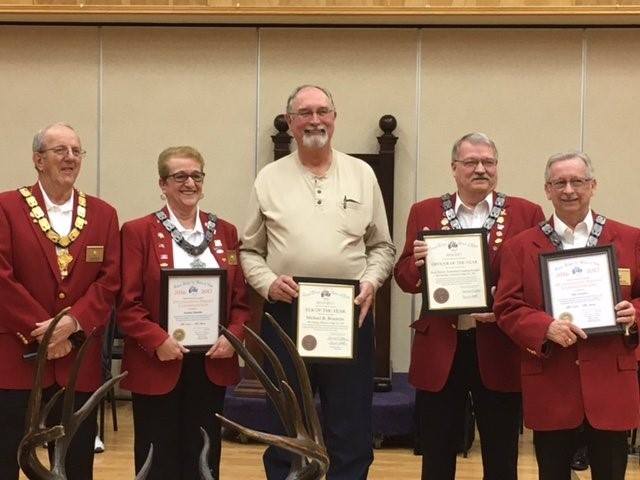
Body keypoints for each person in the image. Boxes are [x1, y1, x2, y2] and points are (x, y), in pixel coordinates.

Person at [240, 84, 395, 480]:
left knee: (350, 425)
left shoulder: (362, 175)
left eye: (322, 111)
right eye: (304, 113)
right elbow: (249, 251)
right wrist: (268, 283)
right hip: (286, 315)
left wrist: (372, 281)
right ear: (290, 122)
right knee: (285, 421)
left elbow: (382, 247)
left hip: (349, 316)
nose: (314, 120)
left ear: (334, 118)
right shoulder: (269, 177)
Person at [394, 133, 545, 480]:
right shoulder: (426, 211)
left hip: (499, 344)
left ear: (497, 167)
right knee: (436, 451)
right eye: (471, 162)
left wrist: (507, 300)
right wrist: (416, 264)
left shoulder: (525, 212)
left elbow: (537, 281)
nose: (481, 169)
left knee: (501, 451)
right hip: (442, 347)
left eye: (488, 162)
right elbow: (403, 279)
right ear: (454, 168)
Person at [494, 151, 640, 480]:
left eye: (578, 181)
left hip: (610, 382)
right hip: (551, 382)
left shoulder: (630, 238)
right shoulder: (520, 246)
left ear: (593, 186)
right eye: (559, 182)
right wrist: (544, 327)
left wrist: (635, 313)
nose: (569, 189)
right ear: (547, 190)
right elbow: (507, 305)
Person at [117, 146, 249, 479]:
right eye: (179, 176)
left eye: (196, 175)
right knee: (157, 456)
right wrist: (157, 340)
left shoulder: (226, 232)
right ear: (162, 184)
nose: (189, 183)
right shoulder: (138, 232)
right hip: (157, 361)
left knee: (204, 457)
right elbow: (126, 304)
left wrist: (233, 337)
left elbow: (242, 302)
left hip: (211, 362)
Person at [0, 122, 120, 480]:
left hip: (77, 359)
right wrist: (48, 331)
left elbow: (110, 280)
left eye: (76, 151)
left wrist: (73, 324)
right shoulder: (6, 207)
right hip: (17, 359)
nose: (70, 158)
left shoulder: (103, 214)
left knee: (75, 461)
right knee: (6, 454)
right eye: (59, 151)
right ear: (38, 160)